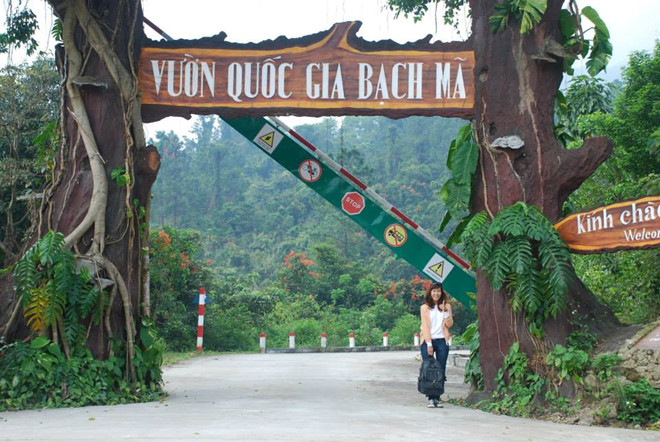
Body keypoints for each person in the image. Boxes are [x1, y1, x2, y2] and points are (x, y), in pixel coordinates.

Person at [419, 281, 453, 408]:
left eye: (438, 291)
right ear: (430, 292)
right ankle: (430, 398)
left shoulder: (447, 306)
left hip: (441, 341)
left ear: (441, 292)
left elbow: (449, 324)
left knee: (441, 369)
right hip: (428, 341)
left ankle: (437, 398)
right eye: (434, 291)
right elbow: (425, 327)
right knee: (428, 369)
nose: (436, 293)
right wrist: (428, 344)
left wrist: (446, 312)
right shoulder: (425, 308)